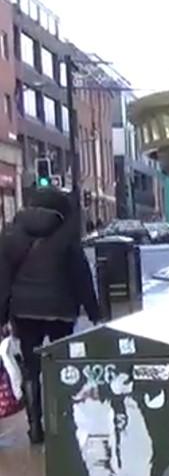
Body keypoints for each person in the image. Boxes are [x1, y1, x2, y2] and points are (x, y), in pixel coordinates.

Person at [0, 185, 101, 443]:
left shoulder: (12, 234)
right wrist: (93, 311)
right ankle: (61, 421)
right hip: (60, 308)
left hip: (23, 310)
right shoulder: (66, 234)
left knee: (31, 368)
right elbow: (81, 276)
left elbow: (3, 280)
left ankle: (35, 427)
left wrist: (2, 316)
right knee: (59, 363)